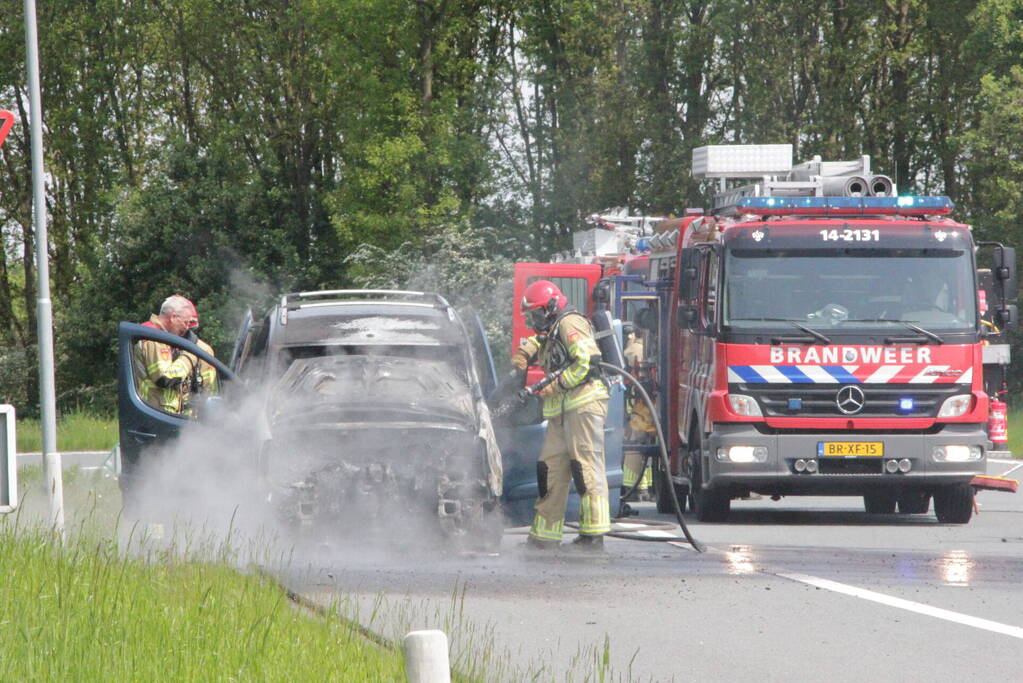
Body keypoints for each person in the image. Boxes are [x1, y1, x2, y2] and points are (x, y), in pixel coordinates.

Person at [513, 280, 611, 551]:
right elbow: (542, 340)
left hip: (584, 405)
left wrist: (555, 385)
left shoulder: (571, 323)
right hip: (562, 411)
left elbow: (586, 362)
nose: (533, 321)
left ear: (551, 307)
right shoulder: (554, 326)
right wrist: (526, 351)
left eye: (535, 314)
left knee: (585, 468)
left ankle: (593, 535)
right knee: (550, 470)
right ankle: (544, 536)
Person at [134, 295, 202, 414]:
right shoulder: (155, 338)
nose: (186, 328)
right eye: (185, 323)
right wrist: (191, 355)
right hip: (155, 411)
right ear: (174, 317)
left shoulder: (159, 336)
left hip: (155, 409)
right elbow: (164, 379)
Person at [621, 322, 655, 501]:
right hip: (649, 403)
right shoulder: (649, 348)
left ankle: (632, 487)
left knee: (634, 445)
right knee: (647, 447)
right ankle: (644, 488)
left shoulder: (632, 350)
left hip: (639, 405)